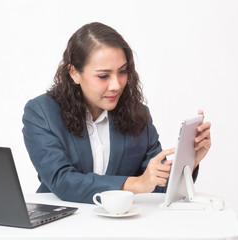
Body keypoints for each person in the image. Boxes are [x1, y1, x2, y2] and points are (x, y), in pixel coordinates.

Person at [22, 22, 211, 204]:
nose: (117, 85)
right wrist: (137, 183)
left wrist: (189, 161)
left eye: (123, 71)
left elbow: (156, 186)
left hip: (121, 226)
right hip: (63, 224)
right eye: (103, 76)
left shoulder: (138, 114)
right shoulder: (41, 113)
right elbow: (62, 181)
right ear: (74, 73)